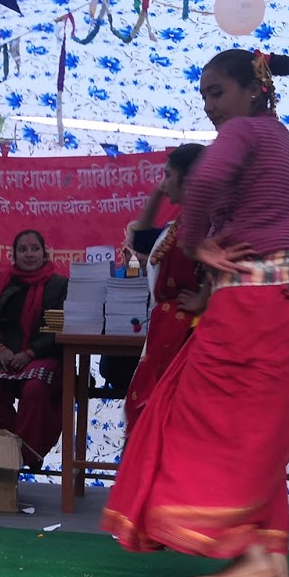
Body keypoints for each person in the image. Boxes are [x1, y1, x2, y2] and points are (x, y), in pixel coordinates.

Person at [103, 50, 289, 577]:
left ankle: (242, 547)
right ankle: (270, 562)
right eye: (203, 95)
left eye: (217, 92)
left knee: (188, 420)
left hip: (250, 307)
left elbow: (201, 183)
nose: (208, 106)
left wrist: (196, 241)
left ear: (253, 90)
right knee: (259, 434)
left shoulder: (243, 132)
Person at [123, 143, 209, 434]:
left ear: (189, 179)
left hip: (192, 332)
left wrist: (204, 298)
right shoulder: (180, 224)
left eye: (168, 175)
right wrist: (158, 195)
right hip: (168, 326)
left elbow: (228, 262)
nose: (163, 182)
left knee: (174, 416)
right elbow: (141, 242)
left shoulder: (212, 221)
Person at [0, 229, 69, 469]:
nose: (29, 254)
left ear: (44, 253)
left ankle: (28, 454)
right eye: (23, 250)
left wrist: (30, 353)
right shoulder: (1, 282)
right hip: (4, 355)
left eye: (35, 249)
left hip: (42, 354)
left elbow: (63, 328)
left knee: (36, 387)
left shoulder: (60, 285)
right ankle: (7, 449)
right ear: (14, 255)